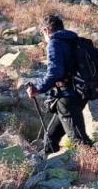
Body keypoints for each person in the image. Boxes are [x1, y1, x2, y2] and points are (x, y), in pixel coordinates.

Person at [25, 15, 91, 152]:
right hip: (80, 93)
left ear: (47, 30)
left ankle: (96, 168)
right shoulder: (73, 41)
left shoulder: (54, 43)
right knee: (51, 136)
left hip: (67, 97)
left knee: (79, 140)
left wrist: (38, 88)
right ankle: (46, 165)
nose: (43, 36)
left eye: (42, 32)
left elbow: (55, 72)